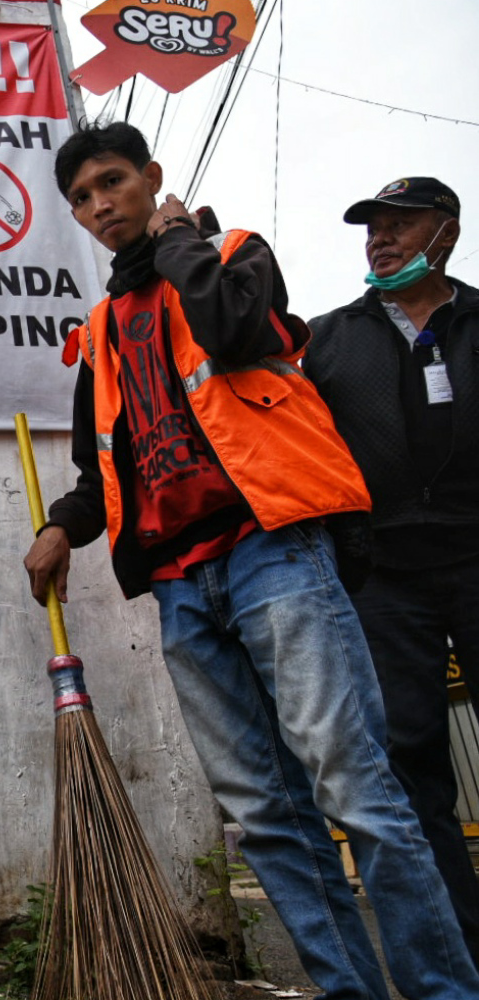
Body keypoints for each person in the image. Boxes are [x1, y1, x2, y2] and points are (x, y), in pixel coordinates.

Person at [22, 122, 479, 998]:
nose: (99, 206)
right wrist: (61, 527)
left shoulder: (231, 253)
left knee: (357, 792)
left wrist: (182, 240)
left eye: (113, 183)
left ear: (150, 180)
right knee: (267, 818)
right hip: (181, 588)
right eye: (81, 198)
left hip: (274, 553)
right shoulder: (104, 331)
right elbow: (101, 467)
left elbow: (235, 330)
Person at [304, 177, 479, 968]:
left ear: (445, 233)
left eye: (401, 225)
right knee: (410, 755)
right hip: (384, 576)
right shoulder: (333, 337)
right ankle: (465, 947)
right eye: (374, 228)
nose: (381, 239)